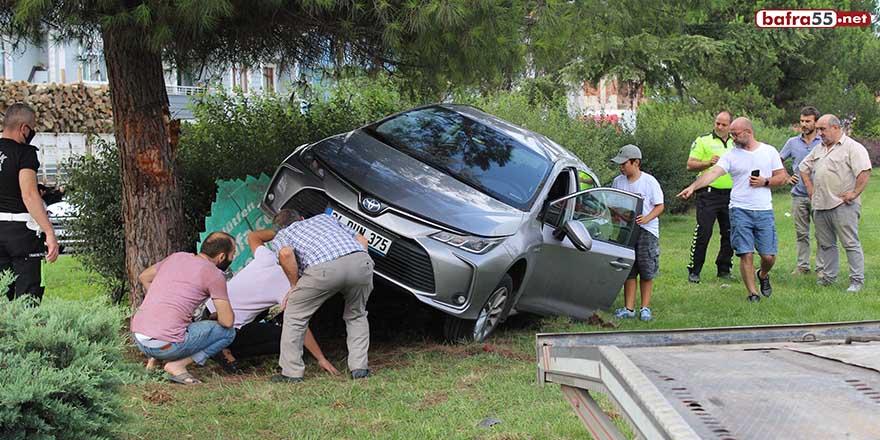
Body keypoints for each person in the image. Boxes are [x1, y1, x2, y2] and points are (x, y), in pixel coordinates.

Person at [205, 210, 339, 376]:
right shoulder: (285, 283)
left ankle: (218, 344)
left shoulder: (266, 256)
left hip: (210, 309)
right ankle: (223, 350)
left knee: (266, 312)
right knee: (289, 337)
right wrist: (320, 358)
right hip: (227, 329)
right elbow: (299, 325)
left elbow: (254, 236)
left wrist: (281, 232)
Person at [678, 117, 787, 302]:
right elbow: (712, 173)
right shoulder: (731, 155)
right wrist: (693, 187)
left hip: (763, 211)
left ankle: (762, 274)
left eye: (735, 135)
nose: (733, 138)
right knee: (746, 253)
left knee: (768, 256)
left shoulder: (769, 151)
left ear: (749, 132)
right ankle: (752, 293)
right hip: (739, 209)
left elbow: (782, 177)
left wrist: (765, 182)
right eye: (732, 135)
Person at [269, 208, 373, 383]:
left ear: (278, 228)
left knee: (295, 315)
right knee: (356, 314)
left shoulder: (282, 235)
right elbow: (362, 239)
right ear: (302, 217)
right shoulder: (325, 218)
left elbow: (286, 254)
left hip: (324, 268)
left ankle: (291, 373)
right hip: (360, 260)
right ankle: (359, 369)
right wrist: (359, 263)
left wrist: (294, 285)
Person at [130, 232, 237, 384]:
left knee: (181, 323)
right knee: (227, 333)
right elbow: (227, 322)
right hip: (165, 346)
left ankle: (154, 360)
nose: (233, 258)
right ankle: (177, 365)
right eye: (232, 254)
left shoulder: (177, 257)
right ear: (221, 257)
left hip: (139, 338)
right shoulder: (214, 274)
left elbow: (144, 277)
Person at [799, 114, 872, 293]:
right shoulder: (819, 149)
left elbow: (864, 171)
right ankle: (828, 278)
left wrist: (854, 193)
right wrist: (810, 188)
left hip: (843, 205)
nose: (820, 133)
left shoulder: (852, 148)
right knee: (826, 245)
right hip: (820, 205)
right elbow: (803, 168)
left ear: (836, 128)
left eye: (823, 129)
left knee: (850, 243)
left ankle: (856, 281)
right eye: (818, 130)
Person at [0, 103, 59, 303]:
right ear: (24, 128)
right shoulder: (25, 153)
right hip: (21, 234)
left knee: (2, 296)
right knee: (28, 296)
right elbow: (29, 195)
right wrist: (49, 232)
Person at [609, 145, 664, 322]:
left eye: (624, 164)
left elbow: (660, 205)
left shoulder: (649, 182)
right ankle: (629, 308)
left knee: (646, 270)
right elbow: (614, 204)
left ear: (636, 162)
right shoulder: (618, 181)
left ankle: (645, 308)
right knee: (628, 269)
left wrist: (647, 218)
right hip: (626, 231)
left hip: (646, 231)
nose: (621, 167)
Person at [685, 111, 735, 284]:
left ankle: (724, 268)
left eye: (723, 124)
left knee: (729, 233)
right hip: (708, 193)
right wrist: (707, 163)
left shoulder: (736, 142)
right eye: (717, 123)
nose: (719, 127)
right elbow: (690, 165)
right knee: (704, 232)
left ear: (730, 126)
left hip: (731, 194)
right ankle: (695, 270)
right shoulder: (703, 140)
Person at [779, 106, 822, 275]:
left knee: (822, 235)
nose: (804, 124)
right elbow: (778, 160)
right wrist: (787, 176)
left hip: (820, 195)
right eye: (802, 121)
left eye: (807, 121)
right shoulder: (792, 142)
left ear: (815, 122)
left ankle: (822, 268)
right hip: (798, 195)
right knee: (802, 234)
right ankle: (802, 266)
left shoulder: (823, 141)